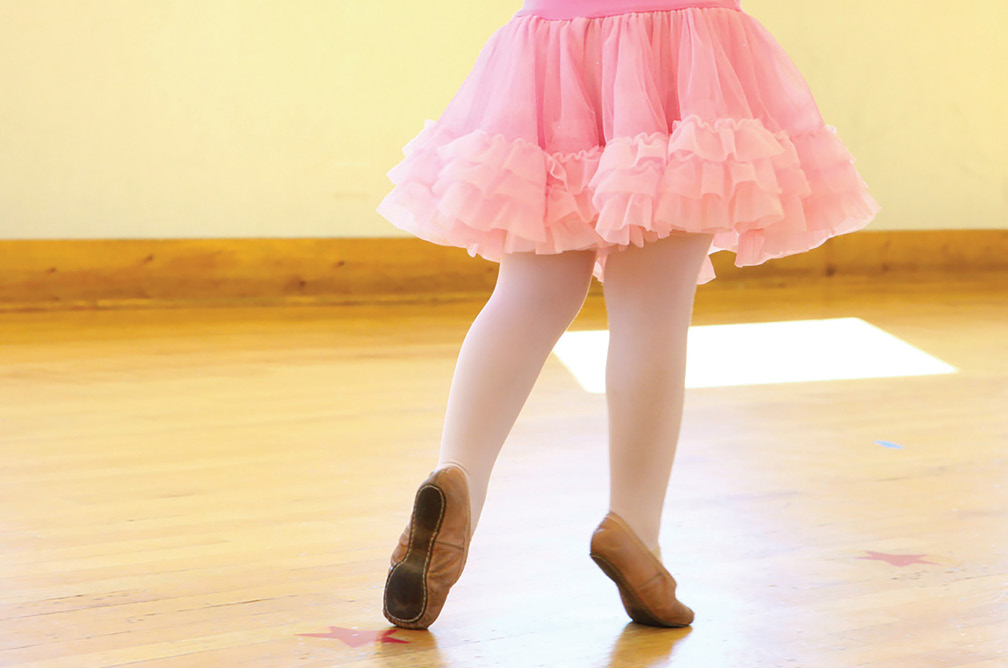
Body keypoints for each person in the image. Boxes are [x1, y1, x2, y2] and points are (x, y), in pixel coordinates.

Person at [375, 0, 881, 630]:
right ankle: (636, 530)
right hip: (684, 45)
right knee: (653, 307)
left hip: (549, 44)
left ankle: (458, 477)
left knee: (527, 294)